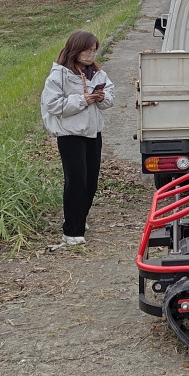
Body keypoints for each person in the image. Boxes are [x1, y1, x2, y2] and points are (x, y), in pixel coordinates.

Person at [41, 30, 116, 246]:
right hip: (70, 134)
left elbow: (110, 97)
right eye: (87, 50)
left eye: (94, 50)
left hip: (93, 133)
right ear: (75, 49)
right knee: (76, 181)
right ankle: (72, 231)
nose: (91, 54)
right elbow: (53, 105)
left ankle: (80, 218)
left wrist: (101, 98)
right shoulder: (59, 76)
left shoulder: (97, 74)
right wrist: (83, 99)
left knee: (91, 182)